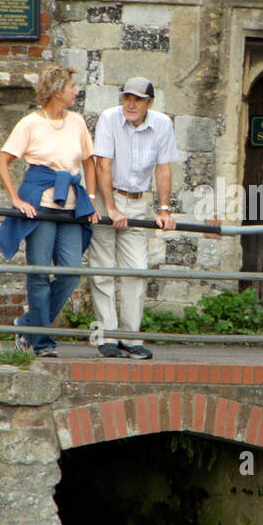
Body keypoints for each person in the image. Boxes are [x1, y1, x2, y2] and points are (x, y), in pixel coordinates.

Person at [0, 64, 101, 357]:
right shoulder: (30, 123)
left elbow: (89, 162)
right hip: (40, 207)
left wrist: (89, 199)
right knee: (40, 273)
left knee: (70, 273)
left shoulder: (77, 122)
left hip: (70, 208)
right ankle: (42, 343)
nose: (76, 91)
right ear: (57, 91)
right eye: (72, 87)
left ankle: (27, 325)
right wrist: (16, 198)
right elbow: (3, 161)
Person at [88, 76, 178, 359]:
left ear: (149, 103)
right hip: (106, 196)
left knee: (136, 270)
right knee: (102, 267)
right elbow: (103, 164)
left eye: (138, 99)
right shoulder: (109, 118)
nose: (131, 104)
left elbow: (163, 168)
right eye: (127, 97)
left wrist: (164, 209)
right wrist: (111, 208)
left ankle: (130, 338)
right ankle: (106, 337)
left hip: (138, 201)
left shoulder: (162, 124)